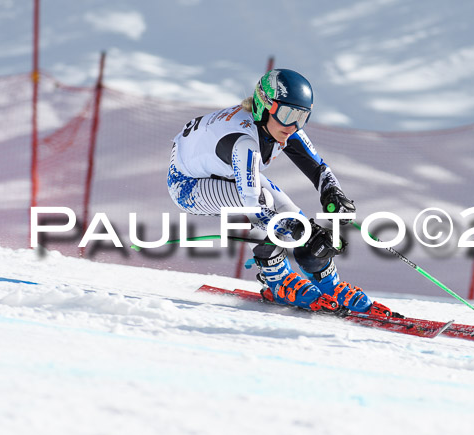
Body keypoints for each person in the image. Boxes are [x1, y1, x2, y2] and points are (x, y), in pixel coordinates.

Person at [167, 68, 393, 316]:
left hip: (223, 171)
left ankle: (328, 284)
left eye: (302, 116)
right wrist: (303, 231)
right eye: (287, 114)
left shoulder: (282, 126)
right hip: (188, 185)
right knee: (273, 211)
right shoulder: (245, 142)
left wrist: (333, 194)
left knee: (292, 213)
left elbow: (318, 168)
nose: (293, 125)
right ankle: (277, 279)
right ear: (265, 106)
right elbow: (253, 208)